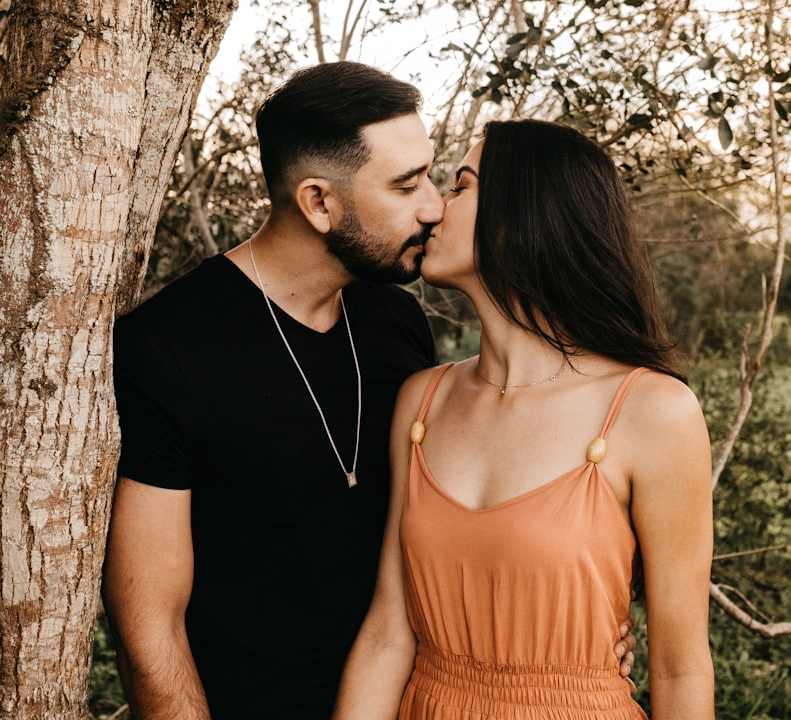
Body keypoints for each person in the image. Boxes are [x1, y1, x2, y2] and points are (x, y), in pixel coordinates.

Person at [102, 63, 638, 720]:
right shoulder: (166, 349)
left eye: (433, 175)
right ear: (319, 203)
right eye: (406, 184)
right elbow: (149, 632)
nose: (434, 205)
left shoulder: (397, 323)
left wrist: (567, 644)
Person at [333, 119, 715, 720]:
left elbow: (680, 665)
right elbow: (388, 633)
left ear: (522, 217)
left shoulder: (652, 411)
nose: (433, 209)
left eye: (460, 186)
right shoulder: (421, 401)